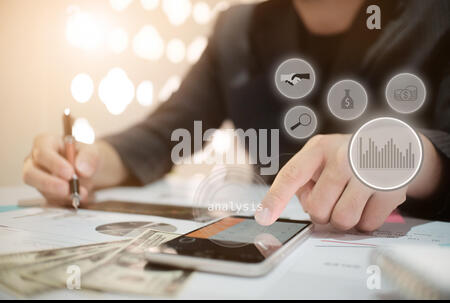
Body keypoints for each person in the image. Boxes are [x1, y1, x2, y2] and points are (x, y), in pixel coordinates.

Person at [23, 0, 450, 231]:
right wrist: (89, 161)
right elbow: (164, 132)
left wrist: (406, 157)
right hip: (265, 254)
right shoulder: (238, 28)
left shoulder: (435, 17)